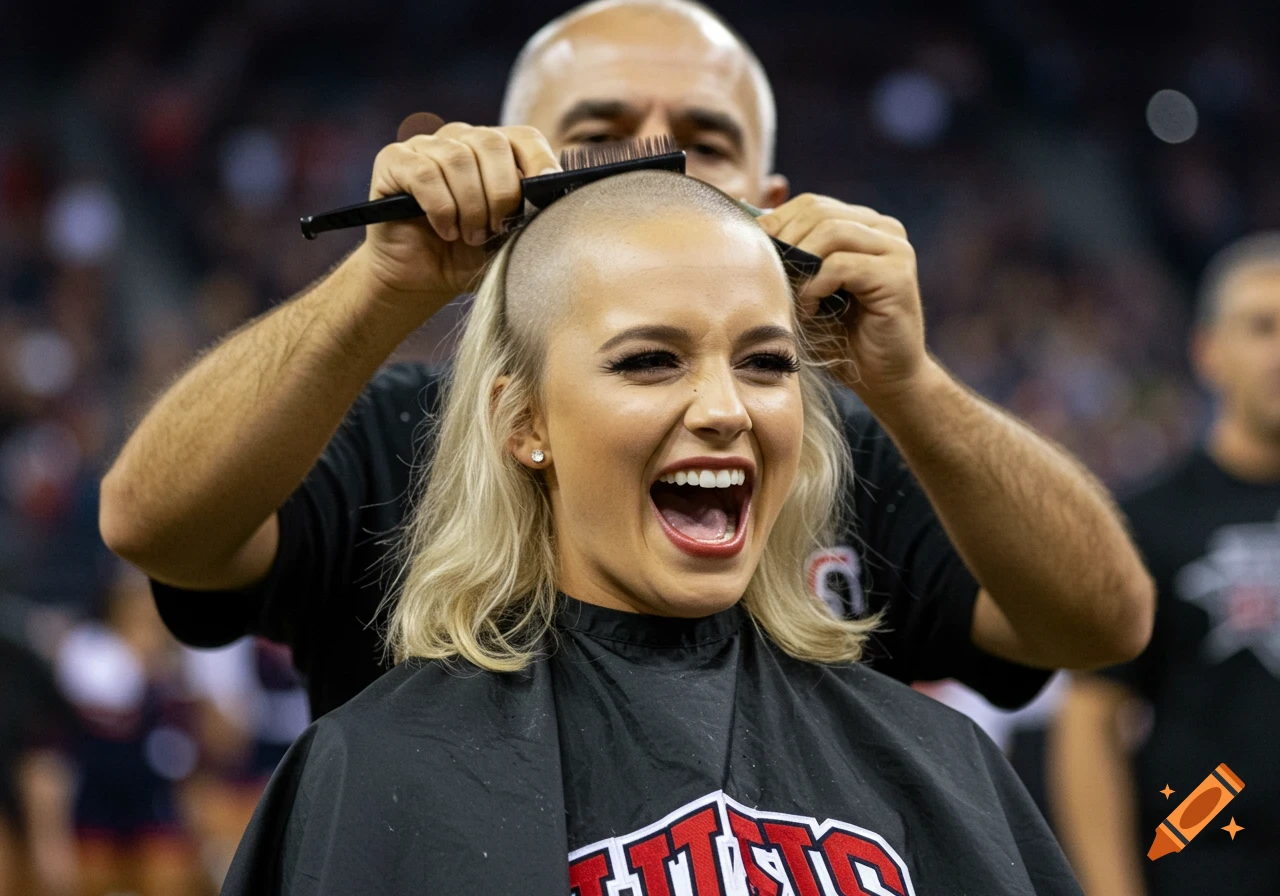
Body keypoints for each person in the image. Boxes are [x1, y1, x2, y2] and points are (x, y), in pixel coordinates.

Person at [99, 0, 1153, 719]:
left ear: (772, 204)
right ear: (512, 170)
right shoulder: (386, 438)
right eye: (597, 131)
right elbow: (155, 522)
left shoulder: (842, 455)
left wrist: (912, 389)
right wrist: (377, 285)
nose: (653, 162)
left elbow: (1099, 621)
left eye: (701, 137)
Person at [221, 168, 1083, 895]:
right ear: (524, 421)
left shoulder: (942, 761)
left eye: (767, 362)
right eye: (648, 360)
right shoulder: (376, 771)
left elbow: (1102, 621)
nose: (724, 409)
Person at [1049, 232, 1280, 895]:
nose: (1279, 351)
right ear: (1209, 352)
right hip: (1206, 864)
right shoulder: (1144, 521)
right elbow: (1090, 719)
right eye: (1261, 328)